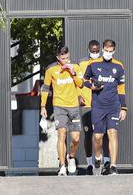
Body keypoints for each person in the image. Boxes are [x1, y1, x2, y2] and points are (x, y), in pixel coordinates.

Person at [83, 39, 127, 175]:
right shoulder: (93, 64)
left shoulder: (119, 66)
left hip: (113, 105)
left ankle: (113, 165)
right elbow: (84, 80)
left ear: (114, 51)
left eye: (111, 51)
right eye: (106, 51)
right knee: (97, 137)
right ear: (103, 49)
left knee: (113, 133)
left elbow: (121, 88)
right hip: (98, 106)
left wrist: (123, 107)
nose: (108, 53)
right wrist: (93, 86)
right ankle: (97, 157)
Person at [40, 46, 83, 176]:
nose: (66, 60)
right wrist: (43, 106)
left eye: (68, 58)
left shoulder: (75, 67)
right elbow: (46, 87)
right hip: (59, 106)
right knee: (61, 135)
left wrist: (73, 73)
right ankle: (62, 165)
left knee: (75, 139)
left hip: (74, 106)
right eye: (63, 58)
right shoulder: (51, 69)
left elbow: (81, 84)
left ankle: (71, 158)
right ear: (58, 58)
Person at [78, 40, 111, 175]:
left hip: (101, 103)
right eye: (93, 51)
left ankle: (107, 162)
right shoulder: (82, 63)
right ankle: (90, 164)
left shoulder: (105, 63)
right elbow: (79, 82)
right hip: (87, 103)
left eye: (97, 51)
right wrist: (79, 95)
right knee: (88, 134)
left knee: (103, 134)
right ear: (88, 49)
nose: (95, 53)